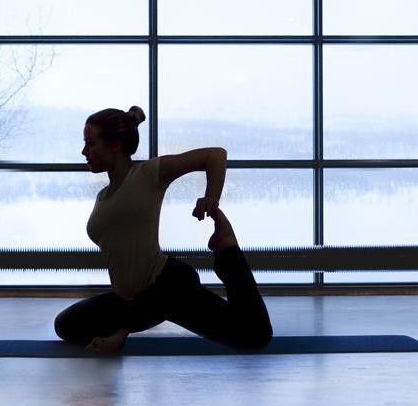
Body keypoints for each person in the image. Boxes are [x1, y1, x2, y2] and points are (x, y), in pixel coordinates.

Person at [53, 105, 273, 354]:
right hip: (131, 300)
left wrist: (210, 199)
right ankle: (126, 323)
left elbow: (215, 155)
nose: (84, 151)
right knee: (66, 325)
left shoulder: (147, 174)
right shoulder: (103, 196)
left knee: (254, 335)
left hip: (167, 286)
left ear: (115, 144)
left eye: (90, 144)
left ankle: (228, 250)